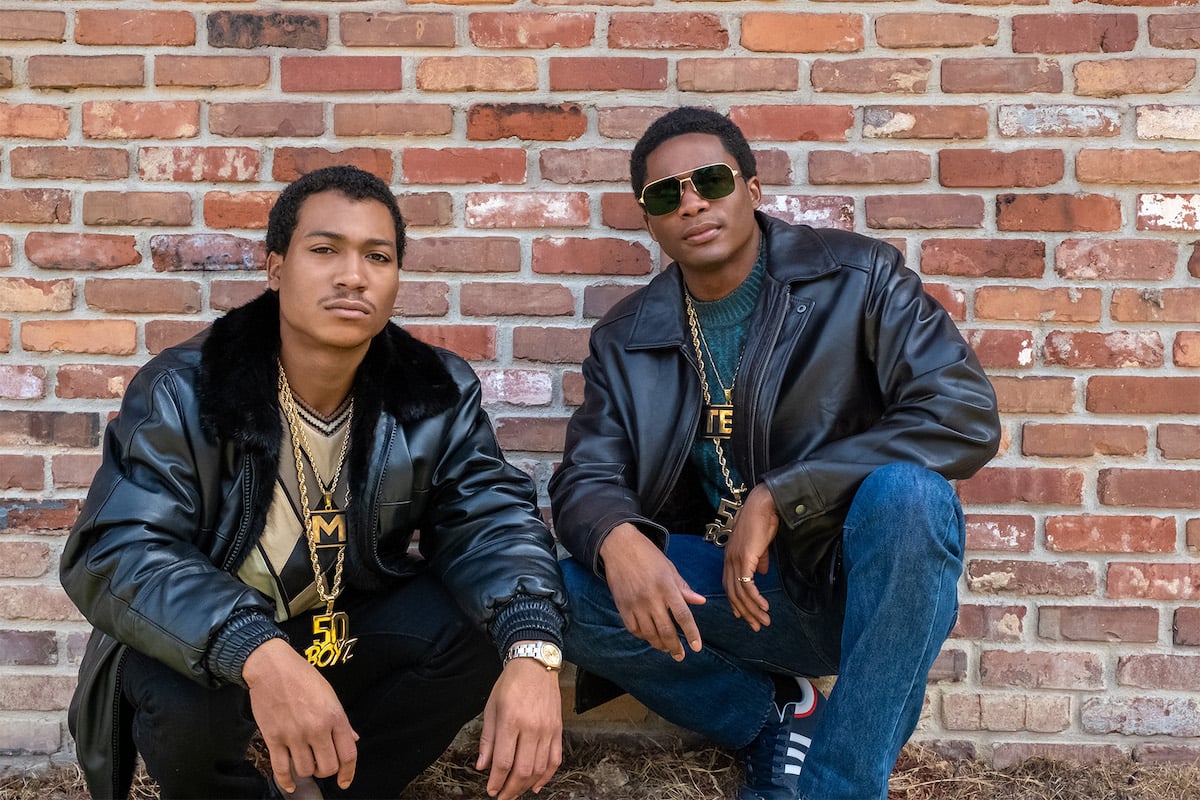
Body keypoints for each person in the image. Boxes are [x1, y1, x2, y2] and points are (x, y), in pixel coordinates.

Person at [61, 166, 569, 800]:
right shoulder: (186, 390)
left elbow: (488, 518)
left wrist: (533, 645)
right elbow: (117, 549)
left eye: (377, 256)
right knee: (183, 703)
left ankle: (333, 790)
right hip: (215, 639)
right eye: (325, 250)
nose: (353, 276)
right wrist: (257, 650)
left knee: (480, 631)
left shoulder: (432, 390)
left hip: (335, 623)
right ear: (276, 268)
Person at [549, 107, 1001, 800]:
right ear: (649, 222)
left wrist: (785, 494)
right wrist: (617, 538)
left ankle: (837, 788)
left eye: (710, 181)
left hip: (850, 584)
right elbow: (587, 473)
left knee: (912, 497)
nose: (691, 203)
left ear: (752, 190)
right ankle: (775, 717)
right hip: (724, 589)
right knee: (557, 591)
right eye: (665, 196)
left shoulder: (858, 278)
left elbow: (963, 413)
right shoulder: (627, 337)